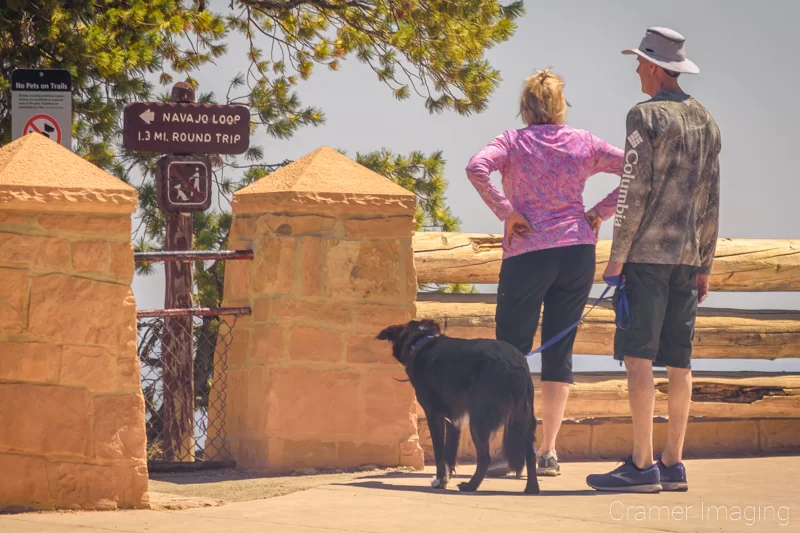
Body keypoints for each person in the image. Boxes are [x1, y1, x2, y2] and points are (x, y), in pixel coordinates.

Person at [465, 68, 623, 477]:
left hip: (527, 253)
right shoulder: (584, 143)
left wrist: (507, 212)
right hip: (576, 252)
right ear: (559, 106)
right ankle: (548, 452)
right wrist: (599, 212)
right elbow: (637, 169)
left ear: (526, 107)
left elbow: (476, 167)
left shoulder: (512, 142)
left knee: (511, 355)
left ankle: (512, 452)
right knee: (559, 352)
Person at [586, 27, 721, 493]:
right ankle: (674, 462)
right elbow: (711, 198)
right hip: (687, 259)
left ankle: (642, 466)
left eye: (641, 62)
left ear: (657, 68)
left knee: (639, 360)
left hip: (645, 258)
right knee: (680, 364)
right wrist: (706, 262)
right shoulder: (707, 120)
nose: (636, 70)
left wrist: (615, 259)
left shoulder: (643, 116)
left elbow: (632, 192)